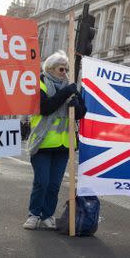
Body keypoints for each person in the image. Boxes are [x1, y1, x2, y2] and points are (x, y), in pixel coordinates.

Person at [23, 50, 86, 230]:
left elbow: (82, 113)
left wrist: (77, 105)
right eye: (61, 69)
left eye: (66, 69)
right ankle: (34, 214)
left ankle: (47, 214)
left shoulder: (71, 87)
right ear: (50, 69)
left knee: (54, 184)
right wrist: (66, 93)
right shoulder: (39, 84)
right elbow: (45, 108)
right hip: (42, 143)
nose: (65, 72)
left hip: (63, 144)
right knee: (41, 182)